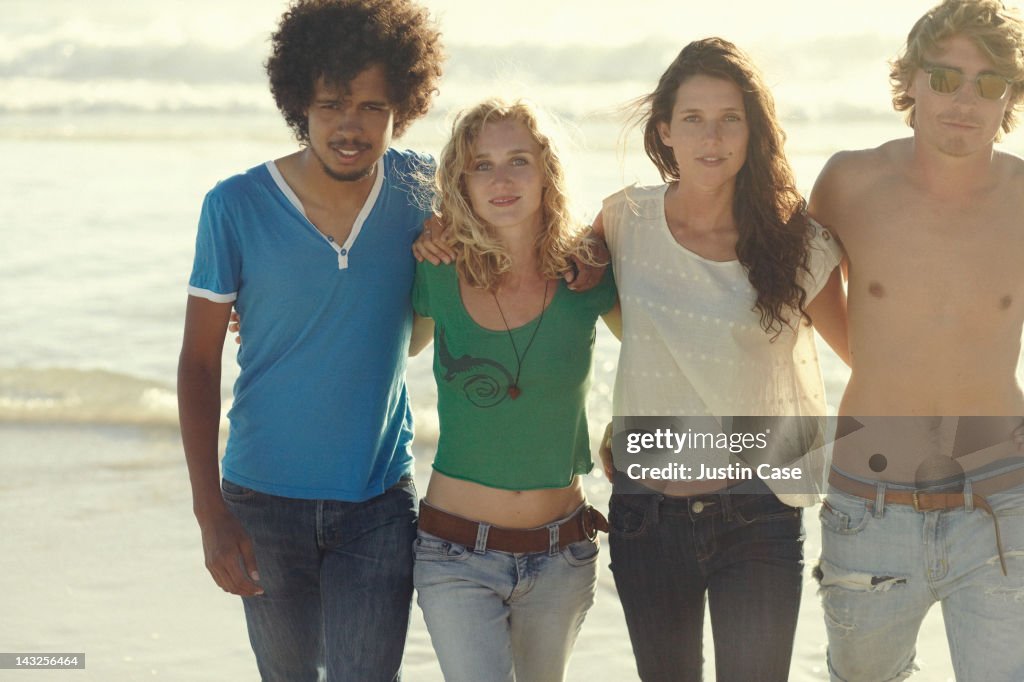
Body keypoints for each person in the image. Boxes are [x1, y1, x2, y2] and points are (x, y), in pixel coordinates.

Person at [175, 0, 443, 679]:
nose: (350, 127)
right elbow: (199, 363)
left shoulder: (424, 191)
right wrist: (210, 513)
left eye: (372, 108)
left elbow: (523, 220)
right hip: (262, 503)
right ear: (300, 103)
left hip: (378, 502)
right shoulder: (233, 206)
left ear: (401, 109)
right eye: (330, 106)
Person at [592, 38, 847, 681]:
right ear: (664, 132)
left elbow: (869, 356)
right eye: (694, 119)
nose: (713, 137)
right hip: (647, 513)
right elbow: (561, 311)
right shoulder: (624, 221)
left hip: (759, 511)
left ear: (753, 129)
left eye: (731, 117)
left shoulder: (799, 244)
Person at [808, 1, 1024, 679]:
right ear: (911, 79)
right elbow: (803, 291)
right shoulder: (848, 182)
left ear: (1009, 98)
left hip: (1000, 500)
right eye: (945, 77)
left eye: (989, 84)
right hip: (868, 503)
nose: (965, 99)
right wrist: (880, 366)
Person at [410, 98, 619, 682]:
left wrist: (625, 424)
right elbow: (378, 345)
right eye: (482, 165)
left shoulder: (589, 274)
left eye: (518, 161)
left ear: (547, 172)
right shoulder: (435, 267)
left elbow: (664, 351)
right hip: (453, 552)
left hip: (562, 554)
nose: (501, 180)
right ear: (462, 182)